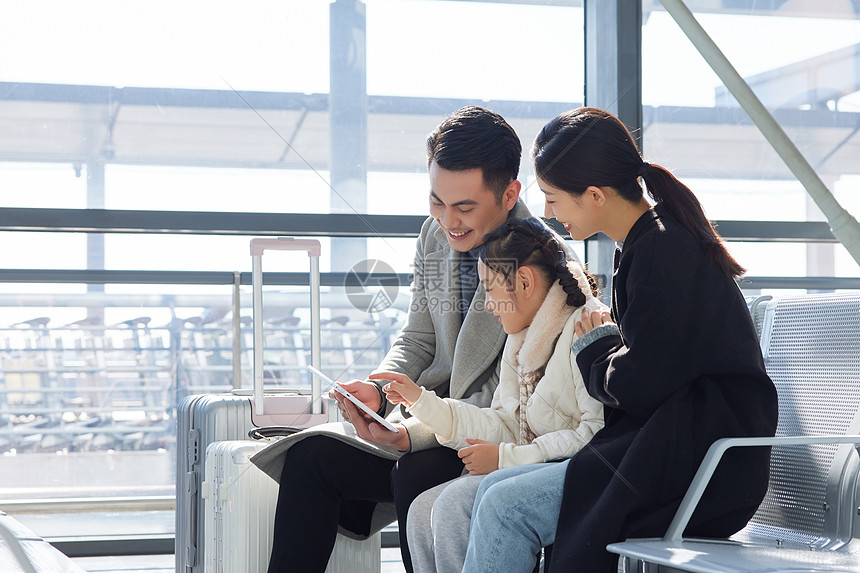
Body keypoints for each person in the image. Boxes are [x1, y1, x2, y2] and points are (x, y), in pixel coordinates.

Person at [461, 107, 779, 573]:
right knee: (494, 493)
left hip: (701, 461)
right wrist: (608, 352)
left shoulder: (661, 250)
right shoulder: (648, 241)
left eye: (553, 198)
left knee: (505, 506)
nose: (548, 213)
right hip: (675, 444)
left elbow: (642, 383)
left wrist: (596, 351)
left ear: (593, 195)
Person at [253, 106, 532, 573]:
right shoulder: (435, 235)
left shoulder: (536, 260)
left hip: (484, 435)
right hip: (423, 421)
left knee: (416, 473)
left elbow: (508, 397)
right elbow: (418, 337)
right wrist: (380, 390)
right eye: (437, 202)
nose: (449, 220)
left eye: (464, 207)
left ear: (509, 195)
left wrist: (410, 434)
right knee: (309, 458)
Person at [378, 217, 605, 573]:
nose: (487, 303)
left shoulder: (587, 328)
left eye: (490, 288)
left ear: (525, 282)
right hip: (526, 466)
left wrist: (504, 458)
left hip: (569, 474)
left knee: (453, 505)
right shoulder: (521, 341)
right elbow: (502, 421)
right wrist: (421, 402)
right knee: (421, 512)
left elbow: (595, 437)